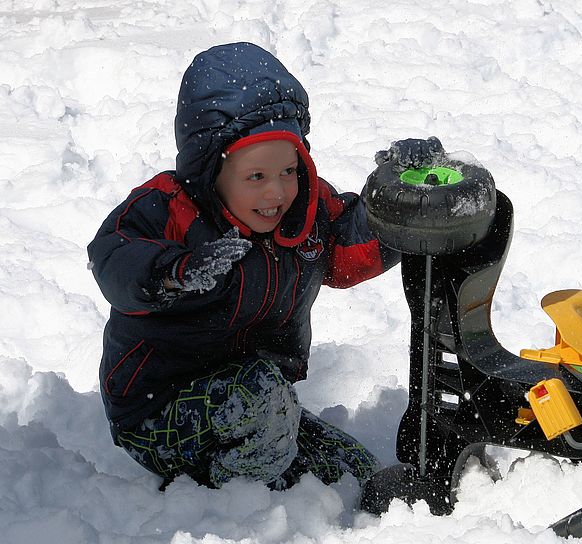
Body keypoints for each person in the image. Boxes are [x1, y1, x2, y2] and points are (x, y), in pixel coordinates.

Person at [88, 41, 445, 490]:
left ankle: (333, 491)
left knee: (355, 472)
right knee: (260, 396)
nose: (277, 192)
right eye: (256, 176)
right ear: (209, 171)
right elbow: (114, 255)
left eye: (289, 171)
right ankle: (242, 509)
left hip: (256, 401)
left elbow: (349, 253)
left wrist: (394, 200)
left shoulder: (305, 212)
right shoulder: (170, 210)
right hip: (158, 410)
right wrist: (173, 272)